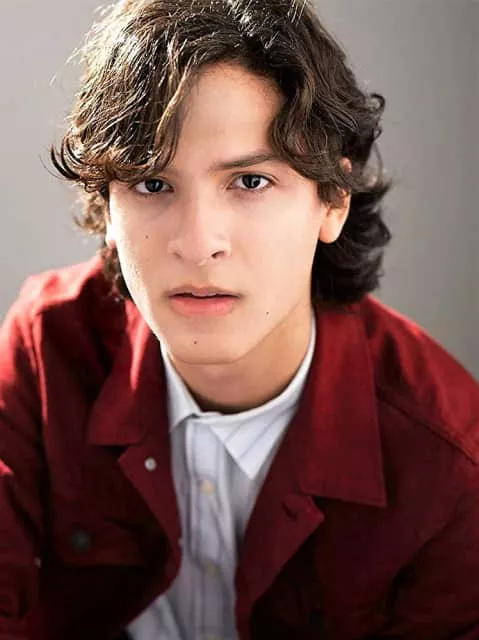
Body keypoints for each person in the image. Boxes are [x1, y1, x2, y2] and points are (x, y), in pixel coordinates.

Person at [1, 0, 478, 638]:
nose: (199, 245)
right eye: (152, 184)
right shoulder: (47, 347)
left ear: (333, 199)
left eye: (250, 181)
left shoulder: (449, 460)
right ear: (106, 208)